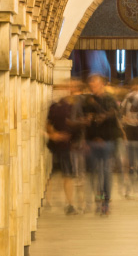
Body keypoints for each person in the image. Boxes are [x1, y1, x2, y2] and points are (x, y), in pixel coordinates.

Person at [81, 74, 121, 216]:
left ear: (102, 85)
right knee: (94, 173)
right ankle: (99, 198)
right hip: (92, 141)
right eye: (91, 85)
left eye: (96, 84)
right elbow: (85, 120)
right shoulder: (87, 100)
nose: (94, 87)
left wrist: (102, 116)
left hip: (107, 141)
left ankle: (106, 202)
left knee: (106, 172)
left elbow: (114, 114)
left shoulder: (109, 99)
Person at [46, 81, 84, 214]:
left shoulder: (76, 106)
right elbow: (48, 123)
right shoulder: (56, 106)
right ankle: (49, 201)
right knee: (54, 174)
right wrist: (54, 135)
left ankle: (71, 203)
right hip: (57, 145)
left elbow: (82, 124)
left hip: (71, 145)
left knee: (69, 174)